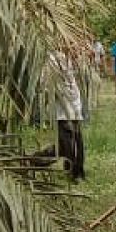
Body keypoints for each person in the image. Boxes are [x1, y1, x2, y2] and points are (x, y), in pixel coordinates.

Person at [50, 50, 85, 180]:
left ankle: (73, 172)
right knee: (75, 140)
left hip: (64, 107)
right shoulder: (66, 58)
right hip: (74, 104)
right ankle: (78, 171)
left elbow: (48, 86)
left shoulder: (52, 58)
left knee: (68, 141)